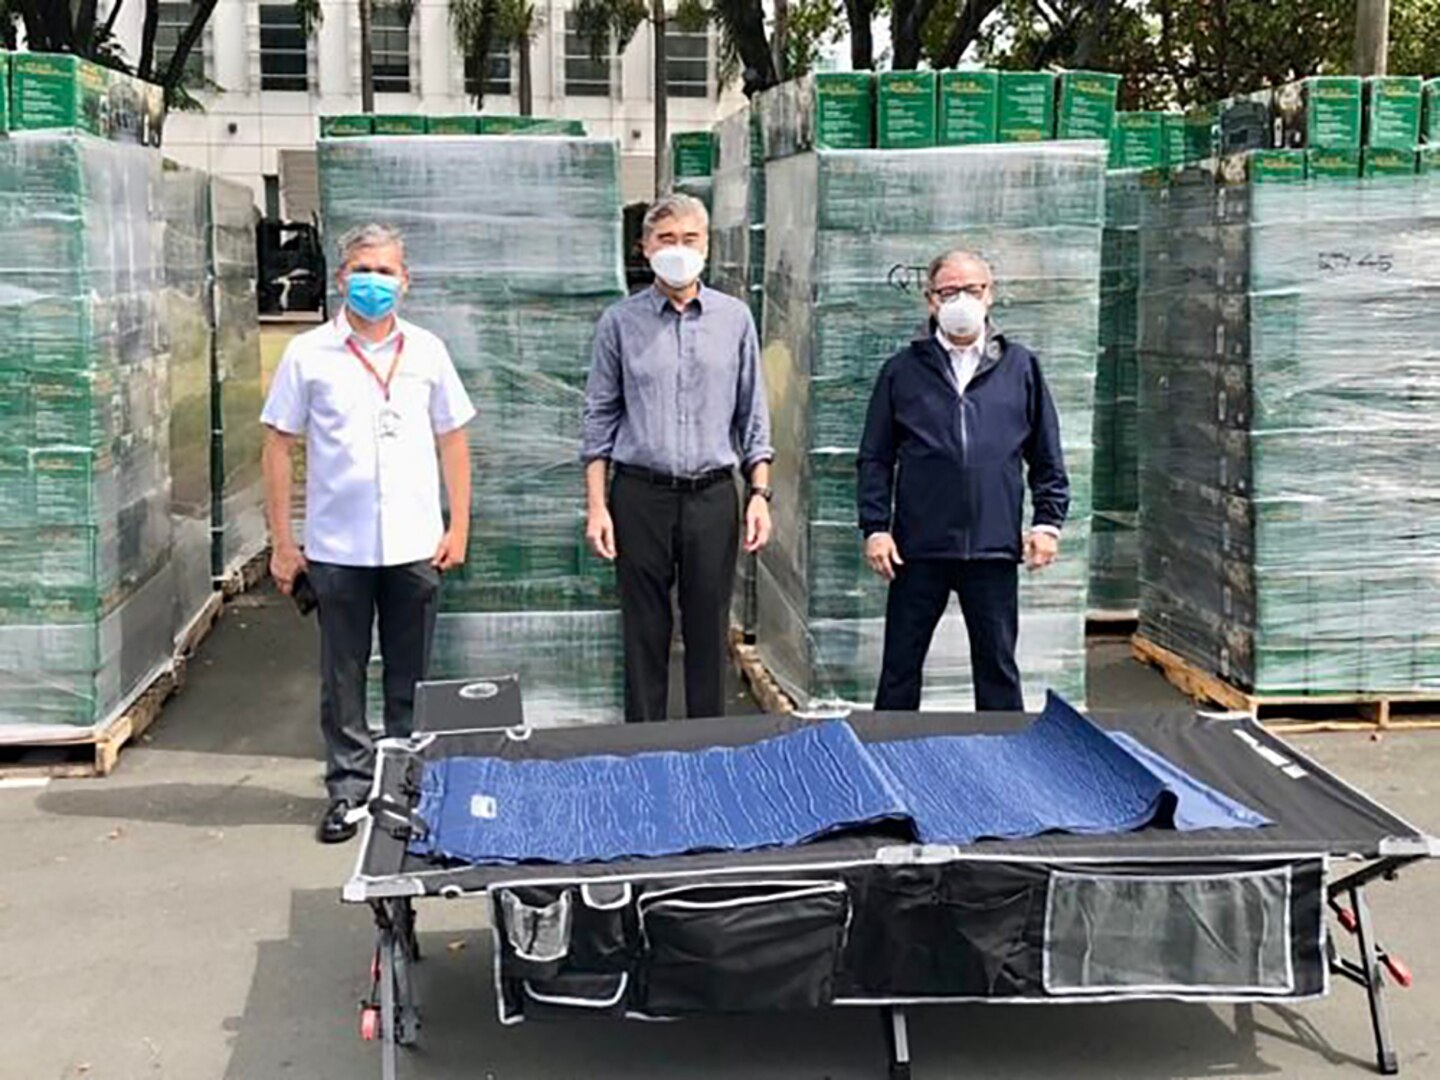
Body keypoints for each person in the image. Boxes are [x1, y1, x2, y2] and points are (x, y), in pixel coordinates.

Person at [261, 223, 476, 843]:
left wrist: (457, 523)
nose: (374, 282)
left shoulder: (428, 351)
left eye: (386, 272)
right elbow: (279, 446)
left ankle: (404, 786)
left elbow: (453, 440)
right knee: (342, 676)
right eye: (363, 270)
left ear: (406, 281)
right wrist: (283, 540)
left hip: (414, 542)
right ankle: (348, 789)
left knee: (410, 674)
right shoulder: (308, 354)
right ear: (340, 278)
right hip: (337, 546)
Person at [582, 193, 774, 722]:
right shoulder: (619, 323)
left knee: (709, 628)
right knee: (644, 629)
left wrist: (759, 494)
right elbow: (598, 418)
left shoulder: (734, 320)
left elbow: (753, 414)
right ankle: (645, 748)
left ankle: (707, 747)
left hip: (713, 494)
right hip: (640, 494)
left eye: (690, 239)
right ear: (645, 248)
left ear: (707, 248)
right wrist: (597, 506)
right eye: (666, 239)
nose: (678, 250)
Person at [857, 249, 1069, 712]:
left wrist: (1047, 524)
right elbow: (875, 457)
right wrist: (876, 527)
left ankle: (1003, 768)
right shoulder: (902, 371)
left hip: (992, 549)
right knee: (900, 669)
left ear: (989, 295)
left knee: (997, 669)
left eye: (972, 290)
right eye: (949, 291)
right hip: (918, 549)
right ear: (930, 300)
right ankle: (890, 760)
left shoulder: (1020, 368)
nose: (961, 300)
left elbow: (1047, 457)